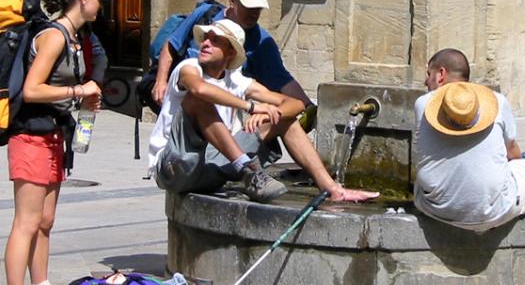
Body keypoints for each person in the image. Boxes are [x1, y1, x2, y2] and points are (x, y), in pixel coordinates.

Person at [0, 0, 114, 285]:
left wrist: (84, 99)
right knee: (26, 222)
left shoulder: (74, 37)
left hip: (52, 135)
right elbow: (32, 90)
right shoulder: (54, 36)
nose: (101, 5)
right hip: (30, 136)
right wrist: (78, 91)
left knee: (45, 221)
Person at [149, 18, 377, 203]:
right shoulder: (189, 68)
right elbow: (199, 89)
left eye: (215, 40)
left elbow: (296, 103)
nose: (205, 43)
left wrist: (267, 114)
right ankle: (248, 169)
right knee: (198, 100)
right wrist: (251, 106)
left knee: (285, 119)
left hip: (212, 165)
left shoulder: (237, 81)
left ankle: (333, 189)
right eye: (205, 38)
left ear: (230, 52)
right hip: (174, 166)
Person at [412, 49, 525, 231]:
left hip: (436, 210)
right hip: (494, 213)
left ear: (441, 74)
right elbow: (513, 153)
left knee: (423, 178)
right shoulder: (498, 101)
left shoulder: (422, 104)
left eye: (428, 74)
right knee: (522, 165)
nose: (426, 81)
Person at [151, 0, 313, 112]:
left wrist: (308, 106)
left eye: (258, 8)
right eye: (249, 7)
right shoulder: (205, 14)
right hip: (186, 98)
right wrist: (160, 82)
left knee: (285, 122)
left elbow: (282, 80)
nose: (254, 14)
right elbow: (171, 44)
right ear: (232, 1)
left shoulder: (262, 42)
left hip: (226, 109)